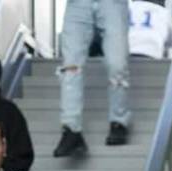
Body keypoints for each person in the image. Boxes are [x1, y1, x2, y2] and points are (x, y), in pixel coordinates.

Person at [53, 0, 132, 157]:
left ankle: (118, 122)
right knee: (71, 66)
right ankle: (71, 129)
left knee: (117, 64)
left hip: (113, 4)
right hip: (77, 4)